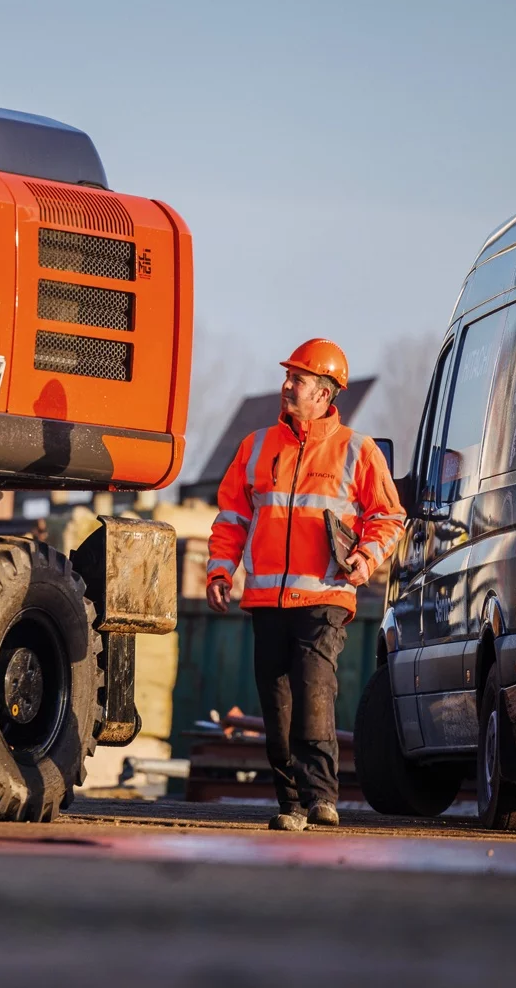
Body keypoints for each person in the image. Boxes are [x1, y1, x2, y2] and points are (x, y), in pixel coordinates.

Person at [205, 339, 406, 832]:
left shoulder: (357, 450)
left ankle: (321, 799)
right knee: (278, 709)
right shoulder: (255, 447)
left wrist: (365, 558)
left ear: (323, 393)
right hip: (267, 600)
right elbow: (231, 519)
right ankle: (291, 805)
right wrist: (220, 571)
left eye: (297, 379)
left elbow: (389, 516)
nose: (287, 385)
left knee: (314, 694)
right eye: (288, 376)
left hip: (325, 596)